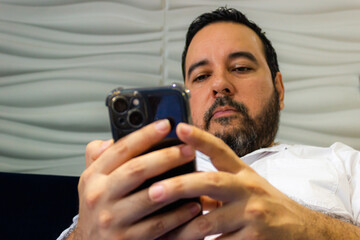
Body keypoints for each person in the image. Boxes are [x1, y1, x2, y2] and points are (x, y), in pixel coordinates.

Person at [59, 7, 360, 239]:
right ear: (187, 102)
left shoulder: (344, 164)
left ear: (278, 89)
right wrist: (86, 234)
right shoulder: (141, 177)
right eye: (201, 76)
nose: (220, 84)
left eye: (240, 67)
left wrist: (307, 228)